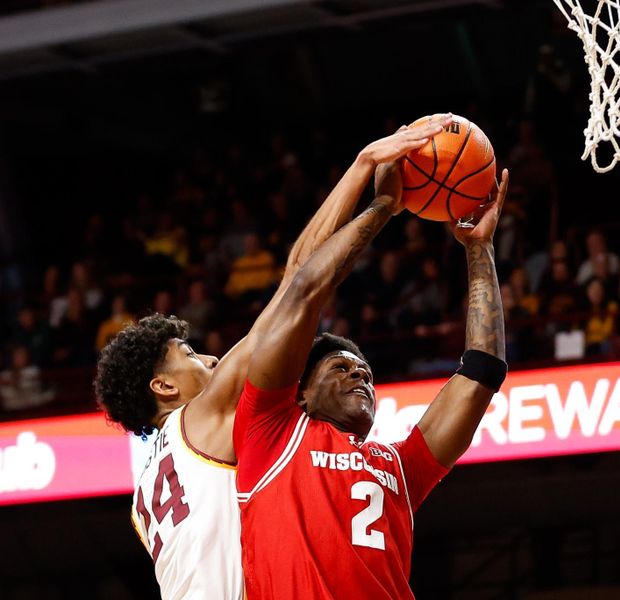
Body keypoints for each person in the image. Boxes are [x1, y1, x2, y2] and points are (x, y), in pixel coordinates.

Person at [93, 117, 452, 600]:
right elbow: (297, 283)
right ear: (163, 387)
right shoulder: (201, 416)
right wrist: (369, 174)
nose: (213, 358)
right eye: (191, 355)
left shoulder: (145, 497)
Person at [233, 166, 509, 599]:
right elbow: (305, 290)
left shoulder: (399, 465)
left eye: (365, 372)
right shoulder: (269, 431)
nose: (359, 374)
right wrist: (384, 206)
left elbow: (482, 372)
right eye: (340, 368)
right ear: (300, 391)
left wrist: (479, 249)